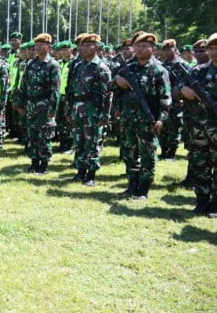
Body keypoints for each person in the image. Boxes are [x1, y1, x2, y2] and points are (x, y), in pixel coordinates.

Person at [113, 32, 172, 200]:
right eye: (137, 46)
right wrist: (117, 80)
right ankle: (132, 185)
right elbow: (113, 89)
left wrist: (161, 119)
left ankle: (143, 189)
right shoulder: (128, 67)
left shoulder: (159, 70)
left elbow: (166, 98)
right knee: (129, 152)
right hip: (128, 117)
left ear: (153, 49)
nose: (139, 49)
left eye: (144, 46)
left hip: (148, 119)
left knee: (148, 155)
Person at [66, 34, 112, 186]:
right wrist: (69, 108)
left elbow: (107, 94)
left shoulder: (101, 68)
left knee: (92, 143)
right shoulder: (78, 66)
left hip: (93, 109)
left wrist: (105, 114)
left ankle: (91, 175)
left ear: (97, 47)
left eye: (88, 45)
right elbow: (71, 89)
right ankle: (80, 171)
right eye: (82, 45)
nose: (84, 48)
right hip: (77, 107)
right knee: (78, 141)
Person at [181, 32, 217, 215]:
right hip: (199, 126)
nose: (214, 52)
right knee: (200, 164)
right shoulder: (198, 71)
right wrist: (183, 90)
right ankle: (202, 200)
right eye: (211, 48)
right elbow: (178, 88)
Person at [17, 33, 61, 174]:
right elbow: (24, 85)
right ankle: (34, 162)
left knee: (44, 136)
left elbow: (56, 89)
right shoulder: (31, 64)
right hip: (31, 105)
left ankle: (44, 165)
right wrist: (21, 103)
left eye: (41, 45)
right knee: (32, 135)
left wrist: (51, 110)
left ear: (48, 47)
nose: (38, 47)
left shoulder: (53, 65)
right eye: (36, 45)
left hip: (45, 105)